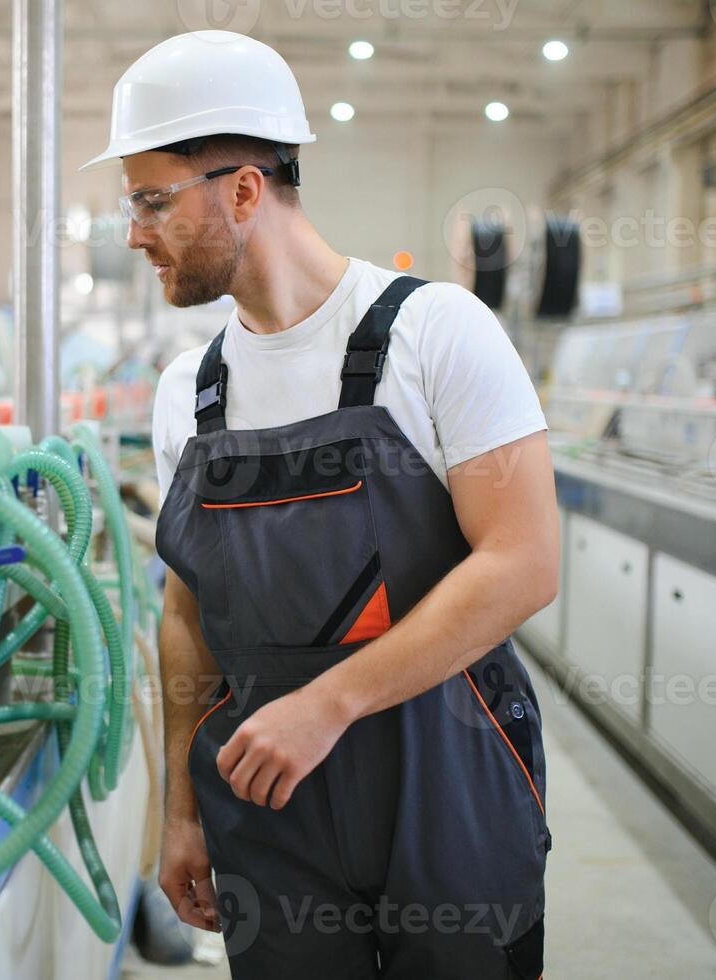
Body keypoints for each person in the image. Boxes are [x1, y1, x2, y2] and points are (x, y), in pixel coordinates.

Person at [81, 31, 557, 978]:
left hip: (446, 784)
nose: (133, 232)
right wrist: (179, 807)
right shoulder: (190, 391)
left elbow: (523, 561)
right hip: (269, 801)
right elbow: (187, 611)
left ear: (243, 190)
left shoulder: (434, 332)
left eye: (151, 200)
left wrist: (328, 704)